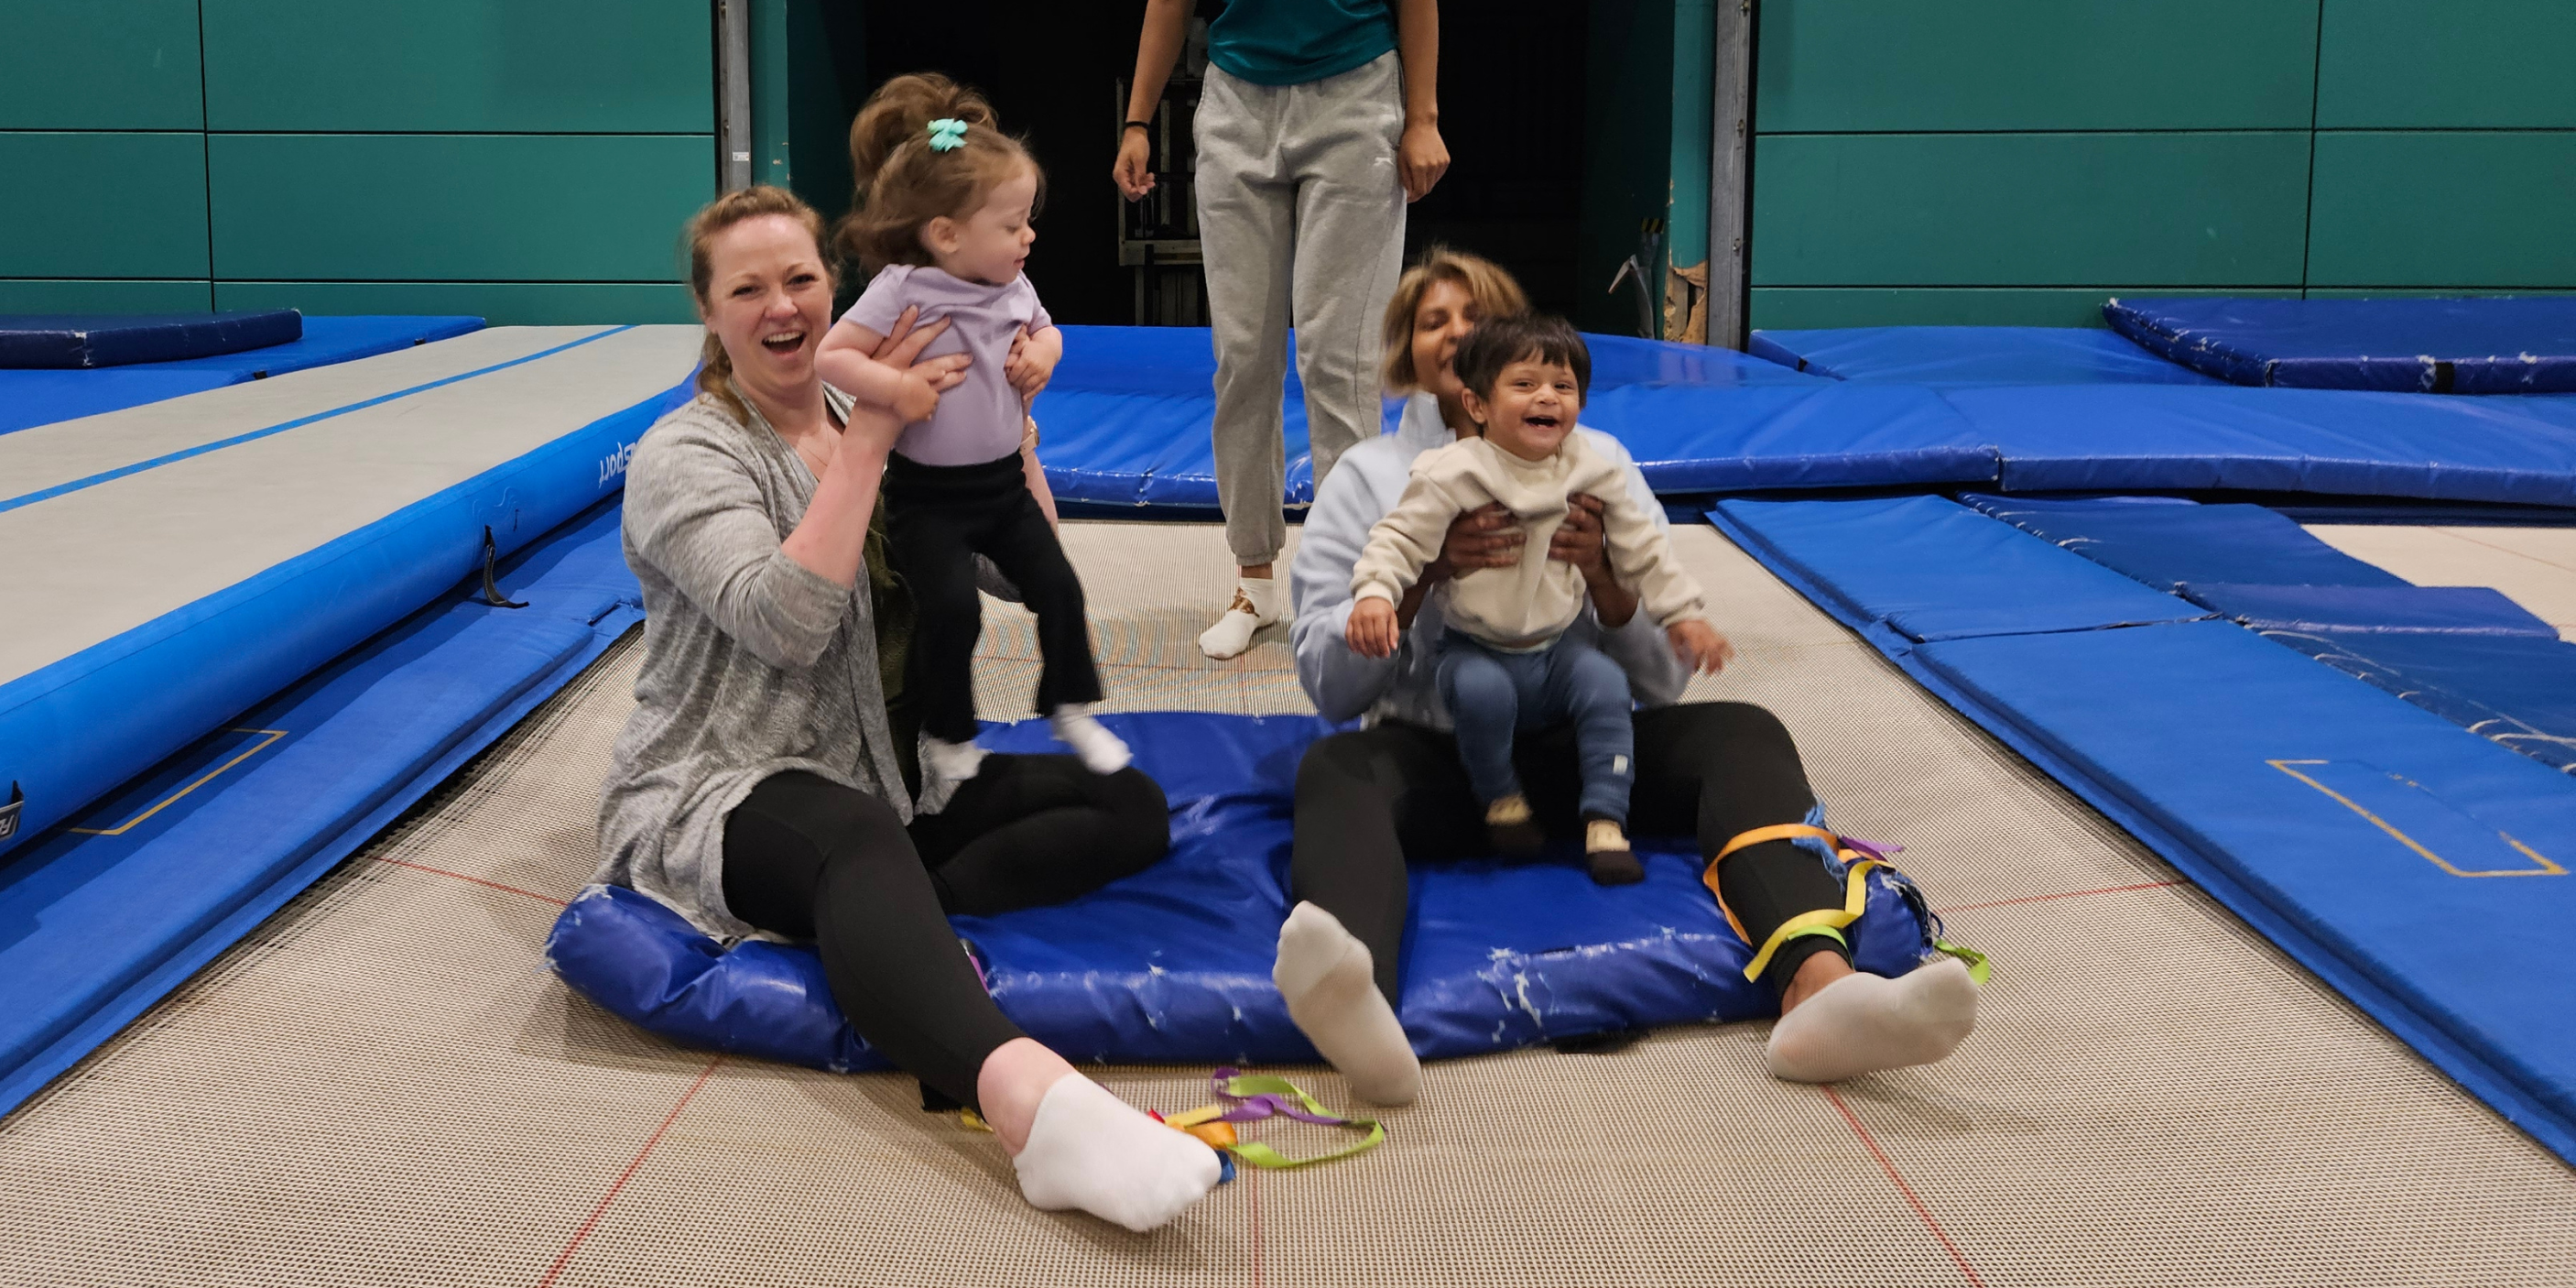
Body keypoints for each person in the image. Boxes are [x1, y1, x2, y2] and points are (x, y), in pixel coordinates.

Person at [595, 186, 1219, 1232]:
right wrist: (876, 435)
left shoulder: (874, 417)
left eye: (800, 279)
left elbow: (1014, 574)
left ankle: (892, 914)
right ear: (707, 311)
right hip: (726, 779)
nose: (781, 305)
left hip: (887, 771)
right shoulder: (688, 454)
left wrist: (1009, 427)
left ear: (835, 287)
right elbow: (785, 625)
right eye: (747, 289)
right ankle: (1032, 1106)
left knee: (1129, 805)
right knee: (851, 837)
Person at [1273, 246, 1981, 1107]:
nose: (1457, 332)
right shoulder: (1373, 478)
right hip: (1447, 752)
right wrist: (1422, 581)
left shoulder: (1596, 462)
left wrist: (1607, 582)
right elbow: (1331, 690)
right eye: (1433, 321)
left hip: (1581, 752)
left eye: (1477, 316)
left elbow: (1659, 684)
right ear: (1416, 357)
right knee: (1334, 767)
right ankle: (1359, 1006)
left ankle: (1819, 988)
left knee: (1743, 730)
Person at [817, 73, 1129, 802]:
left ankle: (1068, 706)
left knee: (1058, 586)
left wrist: (1043, 354)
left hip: (1003, 486)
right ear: (946, 234)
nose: (1029, 236)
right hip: (928, 498)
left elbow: (1048, 332)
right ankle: (948, 734)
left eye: (1027, 221)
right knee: (954, 609)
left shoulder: (1013, 286)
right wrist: (896, 388)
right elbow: (834, 355)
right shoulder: (903, 287)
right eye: (1012, 224)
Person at [1114, 0, 1450, 660]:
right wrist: (1137, 120)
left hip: (1355, 96)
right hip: (1237, 101)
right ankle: (1255, 581)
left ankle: (1353, 584)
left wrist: (1423, 117)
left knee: (1338, 361)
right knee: (1242, 358)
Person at [1345, 314, 1730, 884]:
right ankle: (1502, 800)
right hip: (1475, 648)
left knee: (1607, 686)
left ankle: (1605, 818)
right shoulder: (1454, 472)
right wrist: (1376, 594)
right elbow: (1398, 538)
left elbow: (1643, 547)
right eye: (1524, 385)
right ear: (1477, 405)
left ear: (1580, 403)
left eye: (1562, 386)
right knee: (1481, 695)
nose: (1547, 396)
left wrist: (1682, 613)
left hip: (1556, 652)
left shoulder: (1590, 469)